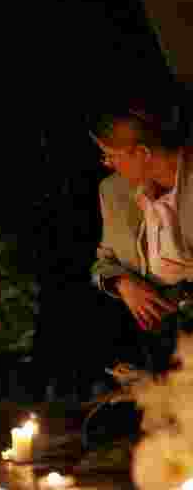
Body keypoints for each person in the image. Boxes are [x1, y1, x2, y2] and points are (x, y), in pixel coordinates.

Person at [90, 101, 192, 374]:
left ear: (143, 153)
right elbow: (102, 264)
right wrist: (123, 283)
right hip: (159, 338)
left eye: (110, 154)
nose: (107, 163)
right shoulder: (112, 190)